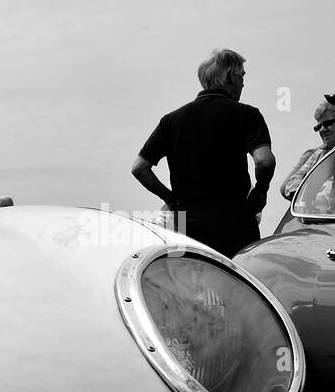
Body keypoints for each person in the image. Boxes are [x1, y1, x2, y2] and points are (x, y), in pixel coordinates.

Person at [131, 48, 275, 257]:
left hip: (186, 228)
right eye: (242, 76)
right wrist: (261, 190)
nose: (244, 83)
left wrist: (170, 199)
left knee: (190, 286)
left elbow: (139, 168)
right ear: (229, 76)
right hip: (235, 223)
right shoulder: (247, 115)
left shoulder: (170, 121)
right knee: (238, 286)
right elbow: (264, 161)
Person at [279, 95, 335, 199]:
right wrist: (311, 196)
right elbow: (290, 184)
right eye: (318, 127)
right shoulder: (319, 154)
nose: (322, 130)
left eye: (327, 123)